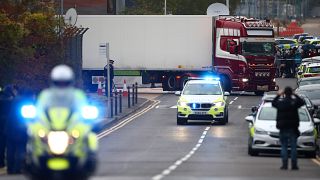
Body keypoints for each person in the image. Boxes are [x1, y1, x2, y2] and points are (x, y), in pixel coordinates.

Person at [272, 87, 305, 170]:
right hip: (293, 128)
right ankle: (294, 165)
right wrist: (295, 95)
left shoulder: (281, 103)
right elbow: (302, 102)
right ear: (291, 93)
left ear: (284, 93)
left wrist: (278, 95)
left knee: (284, 146)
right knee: (293, 146)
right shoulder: (294, 102)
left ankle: (284, 164)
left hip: (283, 127)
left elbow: (273, 103)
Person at [5, 87, 34, 174]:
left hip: (10, 128)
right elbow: (28, 118)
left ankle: (10, 168)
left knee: (10, 149)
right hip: (21, 129)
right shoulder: (28, 103)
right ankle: (17, 168)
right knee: (20, 148)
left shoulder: (15, 100)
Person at [0, 85, 18, 169]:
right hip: (9, 125)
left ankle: (1, 162)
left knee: (1, 144)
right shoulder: (13, 100)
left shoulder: (2, 98)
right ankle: (12, 163)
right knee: (10, 144)